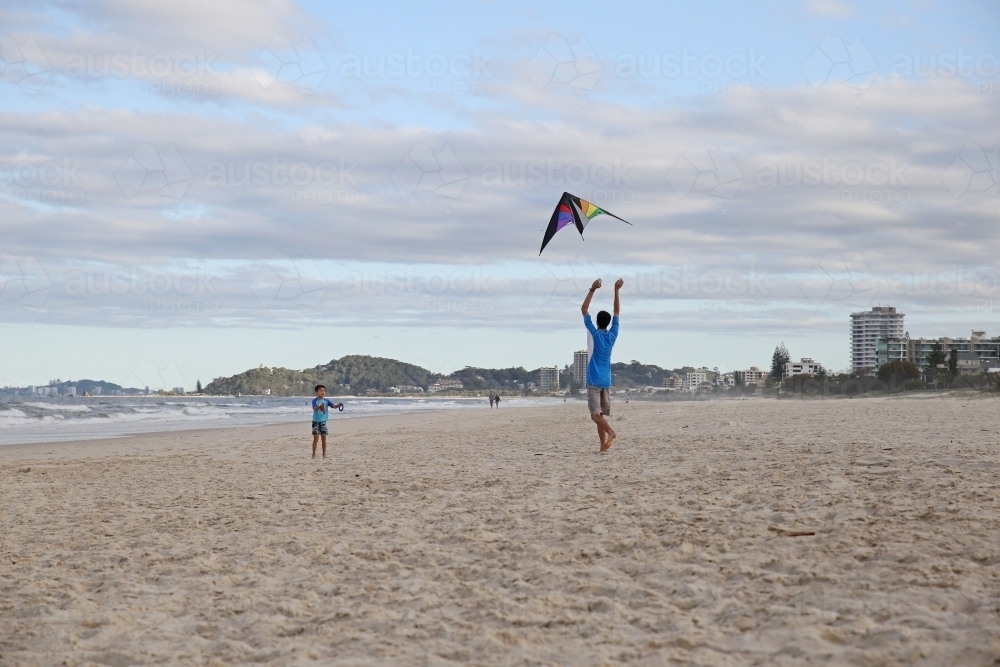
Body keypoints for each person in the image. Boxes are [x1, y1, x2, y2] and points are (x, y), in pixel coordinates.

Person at [581, 277, 623, 452]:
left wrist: (592, 289)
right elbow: (617, 313)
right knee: (600, 415)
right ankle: (602, 447)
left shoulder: (595, 334)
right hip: (606, 380)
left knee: (594, 416)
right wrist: (616, 291)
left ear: (597, 322)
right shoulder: (612, 335)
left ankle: (612, 432)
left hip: (593, 380)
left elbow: (584, 309)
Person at [311, 385, 344, 459]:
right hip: (316, 421)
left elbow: (333, 406)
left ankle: (324, 454)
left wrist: (338, 405)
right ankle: (313, 454)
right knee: (316, 438)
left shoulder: (326, 401)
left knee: (324, 438)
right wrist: (319, 407)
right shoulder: (315, 400)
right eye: (320, 390)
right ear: (316, 392)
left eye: (324, 390)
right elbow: (314, 408)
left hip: (323, 422)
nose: (323, 392)